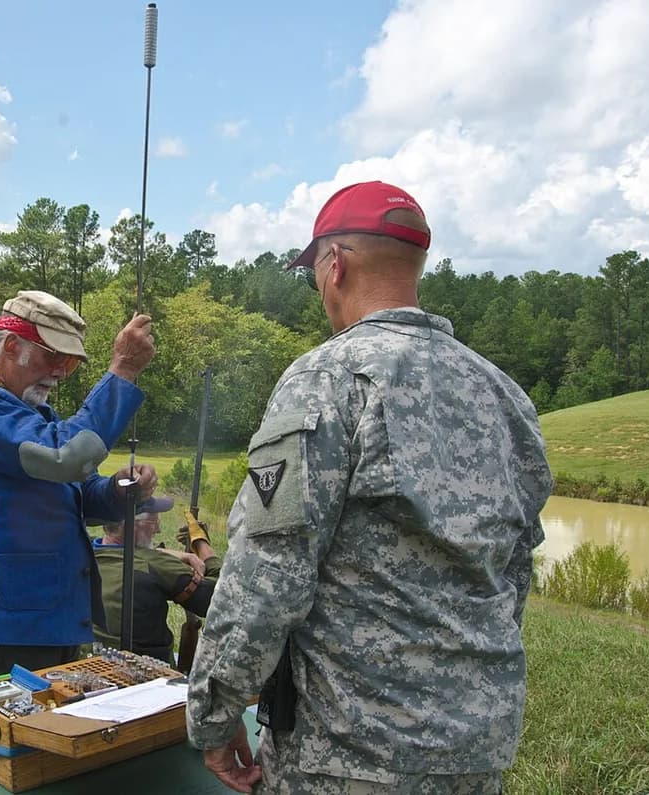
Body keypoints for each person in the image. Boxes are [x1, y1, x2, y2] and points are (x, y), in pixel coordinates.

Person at [186, 181, 553, 794]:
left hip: (347, 753)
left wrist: (215, 715)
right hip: (477, 748)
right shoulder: (505, 395)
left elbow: (268, 573)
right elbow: (514, 571)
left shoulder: (327, 379)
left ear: (336, 266)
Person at [0, 290, 158, 681]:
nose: (60, 371)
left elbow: (80, 495)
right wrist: (121, 372)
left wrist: (121, 490)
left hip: (48, 616)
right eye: (53, 356)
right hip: (8, 625)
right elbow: (66, 456)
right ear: (10, 346)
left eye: (70, 362)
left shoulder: (31, 416)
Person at [93, 496, 222, 663]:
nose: (158, 529)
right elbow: (219, 598)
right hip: (146, 673)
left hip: (93, 662)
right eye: (153, 521)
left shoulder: (86, 552)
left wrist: (178, 554)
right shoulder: (155, 565)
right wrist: (200, 542)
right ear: (132, 525)